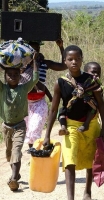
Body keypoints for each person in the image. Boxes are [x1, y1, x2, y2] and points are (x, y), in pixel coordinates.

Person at [43, 45, 104, 200]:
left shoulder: (90, 80)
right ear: (64, 61)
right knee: (69, 160)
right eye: (70, 59)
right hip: (71, 125)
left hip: (91, 124)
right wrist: (47, 135)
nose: (74, 62)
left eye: (77, 59)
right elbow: (53, 110)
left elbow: (100, 104)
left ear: (81, 60)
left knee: (91, 159)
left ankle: (87, 191)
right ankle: (70, 198)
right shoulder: (60, 83)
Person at [0, 50, 39, 191]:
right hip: (6, 127)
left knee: (16, 152)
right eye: (9, 75)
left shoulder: (24, 88)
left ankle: (14, 179)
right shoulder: (2, 89)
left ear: (20, 76)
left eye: (16, 74)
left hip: (20, 126)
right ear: (5, 76)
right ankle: (16, 174)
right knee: (9, 154)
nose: (13, 77)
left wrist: (34, 61)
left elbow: (35, 78)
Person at [21, 40, 67, 149]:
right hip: (24, 103)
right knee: (27, 129)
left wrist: (61, 47)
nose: (35, 52)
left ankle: (34, 151)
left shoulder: (44, 63)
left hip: (39, 102)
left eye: (37, 49)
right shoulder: (21, 65)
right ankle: (32, 151)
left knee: (35, 127)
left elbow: (64, 66)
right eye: (32, 50)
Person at [58, 61, 103, 135]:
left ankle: (86, 124)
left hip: (90, 104)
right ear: (85, 73)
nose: (96, 74)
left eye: (98, 73)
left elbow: (100, 99)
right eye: (93, 72)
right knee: (62, 110)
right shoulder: (79, 81)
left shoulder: (96, 83)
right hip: (75, 102)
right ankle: (63, 127)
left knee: (92, 109)